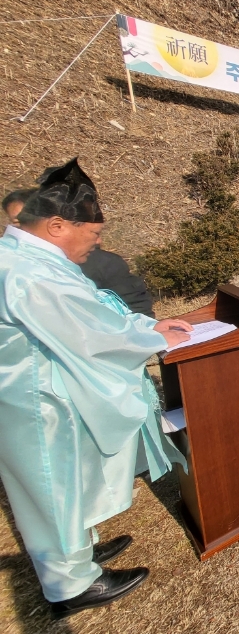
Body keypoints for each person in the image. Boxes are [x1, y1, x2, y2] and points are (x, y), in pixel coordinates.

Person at [0, 159, 191, 619]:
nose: (99, 241)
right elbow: (89, 334)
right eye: (94, 232)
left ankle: (78, 555)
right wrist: (151, 338)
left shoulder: (35, 257)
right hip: (35, 398)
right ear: (58, 224)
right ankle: (71, 584)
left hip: (47, 390)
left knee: (65, 482)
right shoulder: (30, 272)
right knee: (51, 484)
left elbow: (96, 311)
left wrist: (148, 322)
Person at [4, 188, 155, 316]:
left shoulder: (101, 264)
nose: (24, 231)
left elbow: (135, 310)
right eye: (17, 225)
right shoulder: (21, 272)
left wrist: (145, 330)